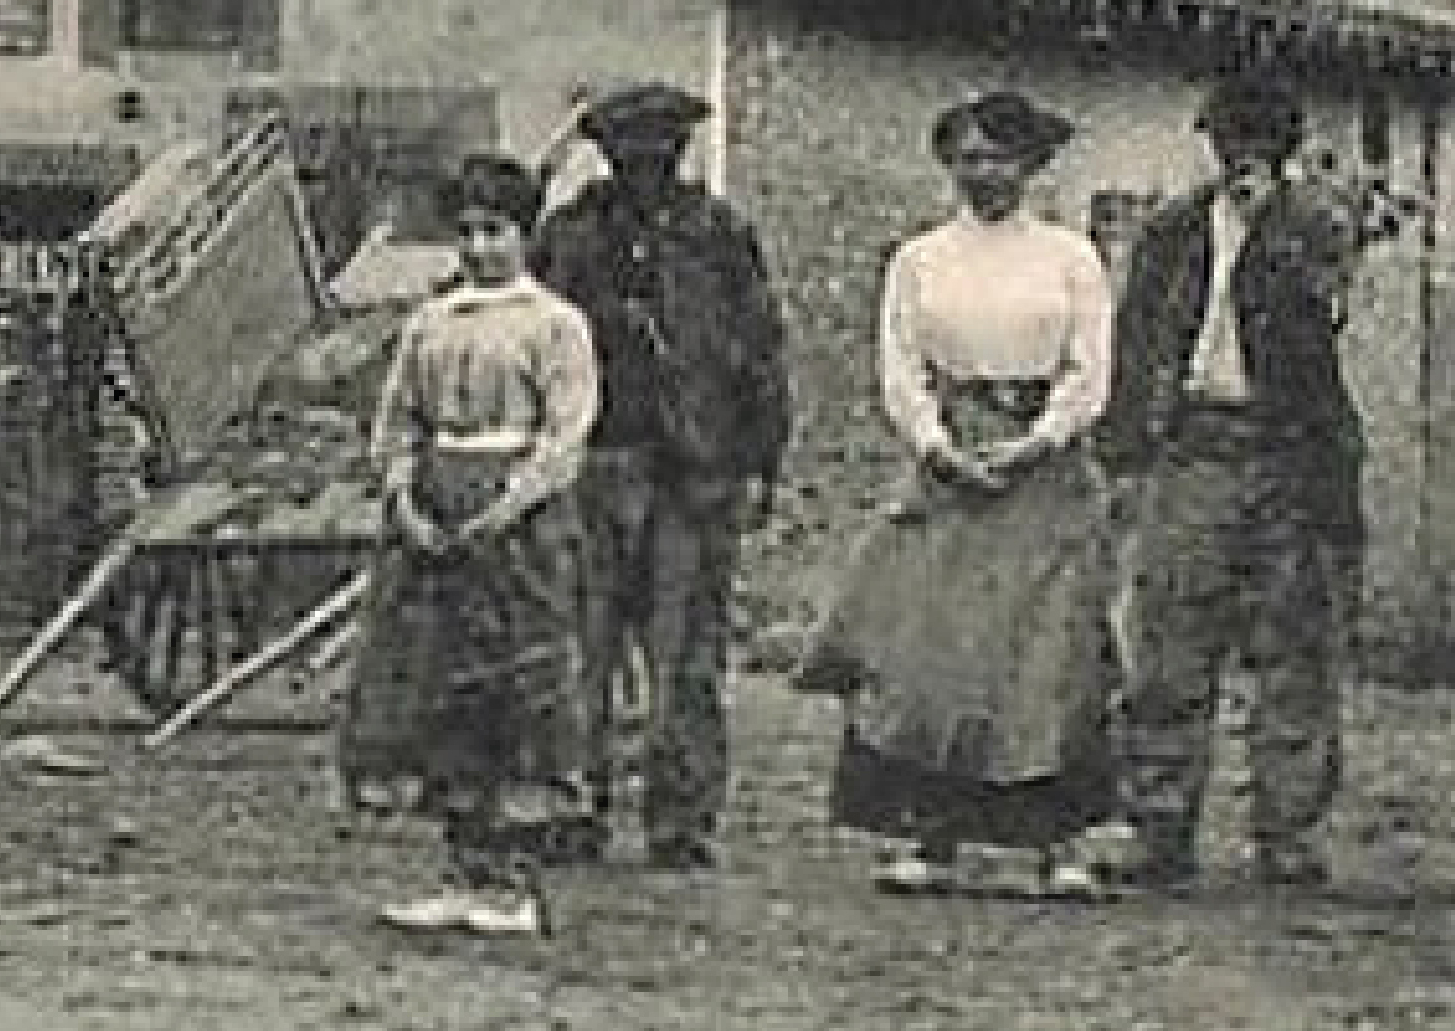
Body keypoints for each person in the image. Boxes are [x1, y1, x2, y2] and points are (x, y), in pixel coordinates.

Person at [821, 90, 1125, 898]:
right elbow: (899, 367)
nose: (982, 172)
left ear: (1031, 164)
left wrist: (1043, 439)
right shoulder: (919, 259)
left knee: (1050, 657)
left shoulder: (1070, 258)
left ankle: (1060, 843)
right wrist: (936, 445)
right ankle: (932, 837)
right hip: (952, 467)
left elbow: (1091, 367)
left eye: (998, 156)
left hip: (1043, 472)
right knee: (938, 656)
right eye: (967, 156)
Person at [1099, 71, 1384, 891]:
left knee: (1295, 646)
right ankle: (1159, 823)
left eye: (1258, 149)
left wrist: (1276, 232)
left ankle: (1287, 830)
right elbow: (1138, 340)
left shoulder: (1318, 230)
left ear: (1285, 155)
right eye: (1228, 145)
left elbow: (1326, 320)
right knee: (1171, 644)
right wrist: (1126, 453)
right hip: (1194, 445)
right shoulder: (1172, 233)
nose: (1239, 162)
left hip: (1290, 455)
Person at [334, 153, 602, 940]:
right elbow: (397, 424)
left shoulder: (554, 323)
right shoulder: (430, 322)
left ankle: (514, 881)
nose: (483, 248)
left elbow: (565, 435)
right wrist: (406, 501)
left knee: (518, 687)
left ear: (526, 234)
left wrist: (506, 508)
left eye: (499, 231)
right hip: (434, 516)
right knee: (435, 681)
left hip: (519, 525)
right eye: (470, 233)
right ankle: (460, 868)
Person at [531, 79, 784, 868]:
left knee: (688, 653)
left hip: (694, 472)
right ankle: (574, 805)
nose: (645, 165)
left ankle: (680, 818)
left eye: (661, 150)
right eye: (629, 152)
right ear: (606, 155)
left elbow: (761, 352)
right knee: (584, 647)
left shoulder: (719, 236)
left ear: (680, 151)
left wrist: (760, 460)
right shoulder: (569, 241)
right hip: (596, 464)